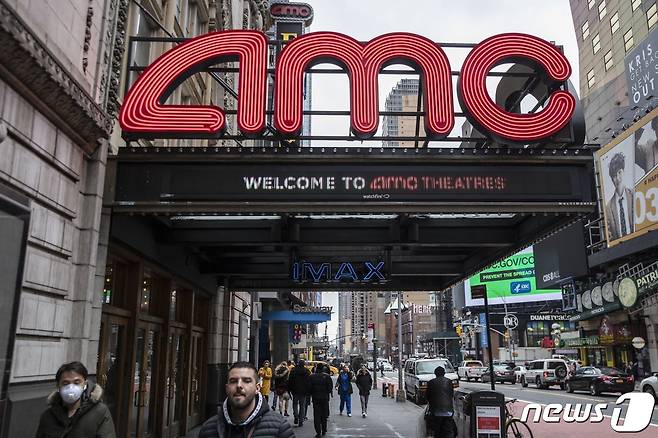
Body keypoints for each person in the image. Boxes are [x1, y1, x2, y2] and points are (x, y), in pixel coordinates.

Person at [198, 361, 295, 438]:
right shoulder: (208, 429)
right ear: (226, 387)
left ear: (257, 388)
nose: (239, 385)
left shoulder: (280, 428)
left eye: (247, 381)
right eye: (233, 381)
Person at [35, 361, 116, 438]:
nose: (71, 387)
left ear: (84, 384)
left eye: (77, 382)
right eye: (65, 383)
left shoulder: (99, 412)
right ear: (58, 386)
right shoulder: (48, 415)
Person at [605, 152, 635, 240]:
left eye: (619, 172)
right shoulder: (608, 207)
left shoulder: (634, 195)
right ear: (611, 179)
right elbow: (610, 235)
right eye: (614, 176)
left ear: (623, 171)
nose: (617, 178)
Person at [425, 366, 455, 438]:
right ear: (444, 373)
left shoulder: (431, 382)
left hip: (435, 411)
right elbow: (451, 394)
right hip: (448, 411)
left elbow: (427, 396)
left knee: (436, 430)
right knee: (448, 429)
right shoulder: (449, 382)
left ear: (435, 373)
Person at [309, 365, 333, 438]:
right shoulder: (327, 376)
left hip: (315, 398)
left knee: (317, 415)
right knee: (324, 414)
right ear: (323, 369)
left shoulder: (312, 377)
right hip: (324, 398)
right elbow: (330, 388)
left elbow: (309, 387)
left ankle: (318, 431)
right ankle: (324, 429)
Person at [288, 359, 311, 427]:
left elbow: (290, 381)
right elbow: (309, 382)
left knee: (295, 404)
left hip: (295, 391)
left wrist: (289, 390)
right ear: (304, 364)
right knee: (302, 406)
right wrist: (308, 391)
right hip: (303, 392)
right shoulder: (307, 371)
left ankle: (296, 415)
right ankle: (301, 420)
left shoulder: (293, 370)